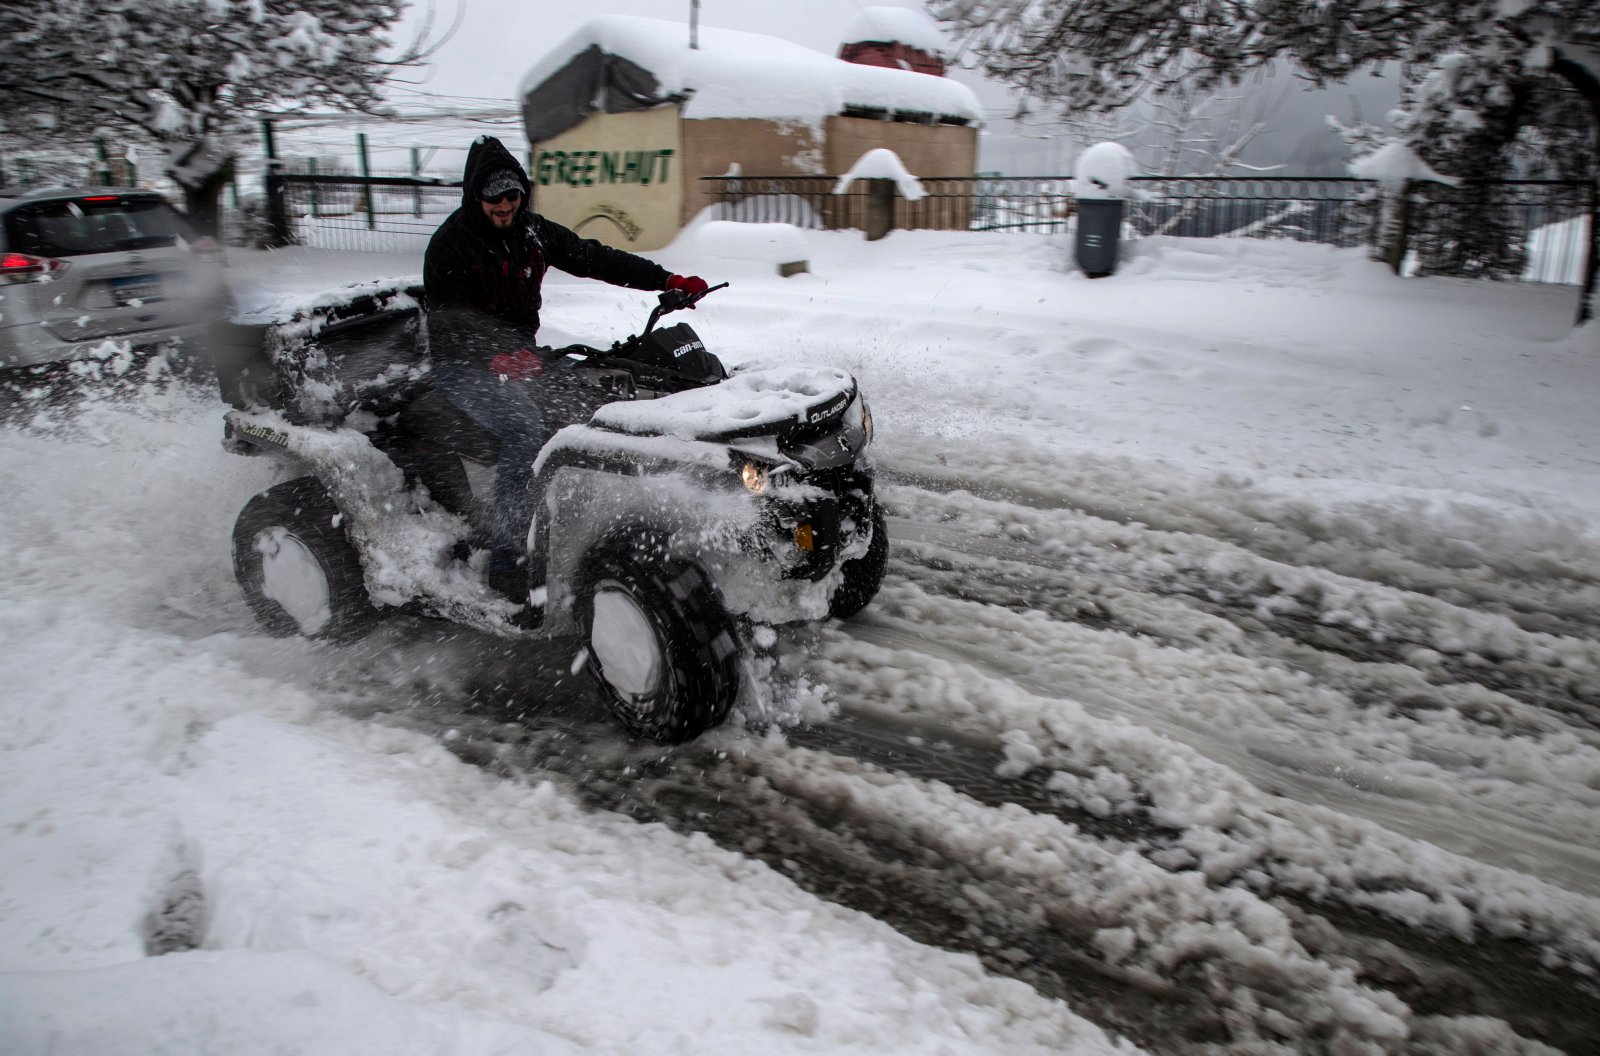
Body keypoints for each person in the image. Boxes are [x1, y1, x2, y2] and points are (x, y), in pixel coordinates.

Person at [423, 135, 710, 608]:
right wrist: (491, 357)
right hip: (462, 364)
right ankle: (508, 559)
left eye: (513, 194)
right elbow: (447, 321)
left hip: (521, 357)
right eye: (494, 195)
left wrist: (665, 280)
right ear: (476, 195)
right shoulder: (451, 246)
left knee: (585, 409)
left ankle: (577, 519)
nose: (505, 204)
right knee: (523, 426)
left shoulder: (532, 232)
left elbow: (594, 257)